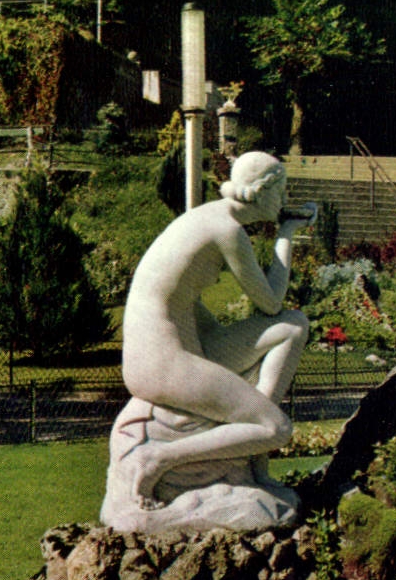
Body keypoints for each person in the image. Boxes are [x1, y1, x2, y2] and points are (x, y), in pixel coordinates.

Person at [116, 151, 314, 506]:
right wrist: (286, 234)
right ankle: (157, 458)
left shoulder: (208, 216)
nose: (284, 199)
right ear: (262, 192)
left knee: (294, 326)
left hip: (185, 345)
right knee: (277, 428)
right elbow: (271, 303)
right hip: (162, 362)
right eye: (281, 190)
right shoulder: (227, 230)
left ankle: (252, 455)